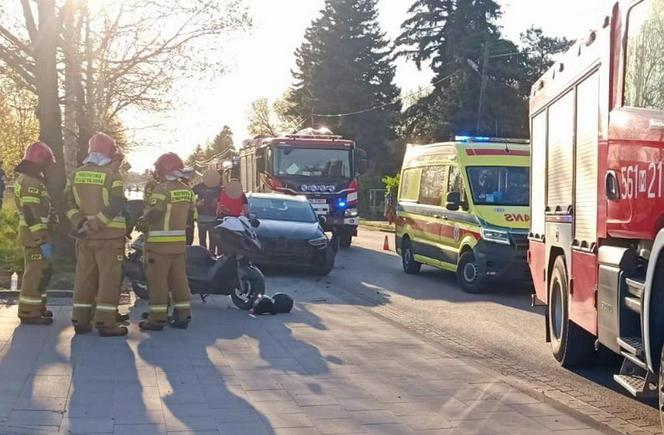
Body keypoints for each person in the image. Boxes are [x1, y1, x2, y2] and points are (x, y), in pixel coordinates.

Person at [65, 133, 129, 337]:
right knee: (108, 279)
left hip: (84, 238)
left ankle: (80, 320)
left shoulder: (75, 175)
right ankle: (106, 322)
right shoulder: (112, 177)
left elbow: (67, 204)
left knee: (84, 278)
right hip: (109, 239)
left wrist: (81, 223)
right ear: (109, 153)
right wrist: (96, 223)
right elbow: (117, 204)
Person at [138, 152, 195, 331]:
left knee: (158, 282)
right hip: (178, 245)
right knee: (179, 280)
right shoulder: (187, 191)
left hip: (159, 245)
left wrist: (143, 221)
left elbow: (156, 211)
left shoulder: (162, 189)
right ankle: (183, 314)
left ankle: (157, 318)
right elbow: (191, 213)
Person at [13, 142, 56, 325]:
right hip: (36, 238)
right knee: (35, 273)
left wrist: (50, 216)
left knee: (42, 271)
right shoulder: (31, 182)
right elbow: (30, 212)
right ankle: (29, 311)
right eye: (46, 161)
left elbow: (36, 209)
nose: (47, 165)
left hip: (37, 236)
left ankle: (38, 306)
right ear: (39, 159)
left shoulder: (29, 179)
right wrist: (41, 238)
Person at [193, 169, 222, 254]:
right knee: (202, 239)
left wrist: (217, 202)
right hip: (201, 217)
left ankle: (212, 255)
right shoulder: (199, 186)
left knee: (213, 239)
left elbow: (223, 200)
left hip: (213, 218)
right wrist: (196, 203)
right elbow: (189, 196)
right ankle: (203, 255)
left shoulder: (218, 188)